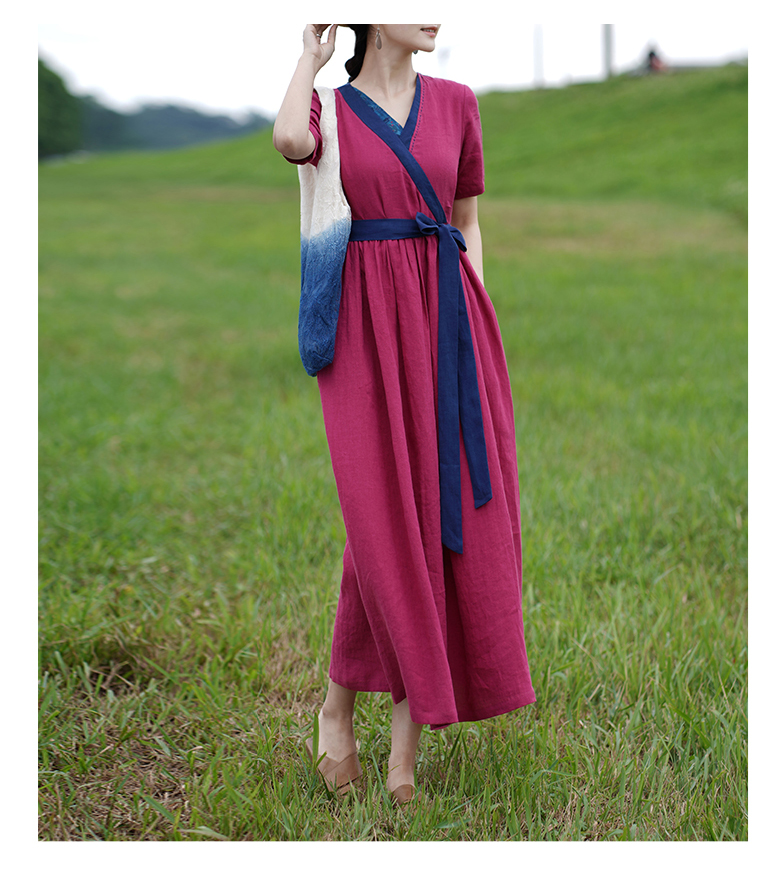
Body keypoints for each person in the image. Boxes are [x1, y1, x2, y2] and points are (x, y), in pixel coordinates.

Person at [273, 24, 536, 806]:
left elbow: (467, 220)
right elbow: (289, 140)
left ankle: (400, 759)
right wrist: (311, 55)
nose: (435, 15)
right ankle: (336, 709)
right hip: (362, 327)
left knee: (426, 510)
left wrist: (475, 310)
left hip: (449, 321)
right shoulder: (329, 109)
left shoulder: (457, 103)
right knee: (380, 516)